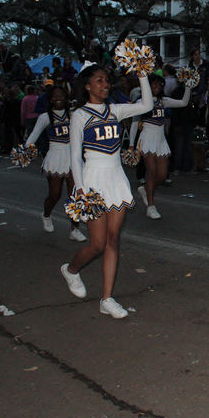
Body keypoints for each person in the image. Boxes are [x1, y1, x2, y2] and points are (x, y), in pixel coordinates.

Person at [60, 64, 152, 318]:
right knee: (98, 244)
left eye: (107, 80)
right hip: (92, 180)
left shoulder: (116, 110)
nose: (105, 84)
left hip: (116, 178)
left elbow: (146, 106)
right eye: (99, 80)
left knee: (113, 240)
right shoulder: (79, 115)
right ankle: (71, 270)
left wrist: (142, 74)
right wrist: (80, 190)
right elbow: (75, 157)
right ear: (88, 86)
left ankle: (107, 298)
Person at [24, 86, 86, 241]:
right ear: (50, 99)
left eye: (61, 95)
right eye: (55, 96)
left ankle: (74, 229)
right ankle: (46, 215)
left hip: (73, 156)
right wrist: (25, 149)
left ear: (65, 98)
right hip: (55, 157)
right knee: (55, 194)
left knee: (76, 194)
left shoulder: (73, 114)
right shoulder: (45, 117)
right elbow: (34, 135)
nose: (58, 98)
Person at [129, 75, 191, 219]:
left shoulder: (164, 101)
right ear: (147, 85)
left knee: (162, 175)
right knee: (151, 172)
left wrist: (188, 85)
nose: (158, 87)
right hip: (147, 138)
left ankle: (146, 189)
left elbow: (183, 102)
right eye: (155, 84)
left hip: (161, 140)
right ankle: (151, 206)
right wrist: (131, 144)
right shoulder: (141, 101)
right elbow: (134, 123)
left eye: (160, 84)